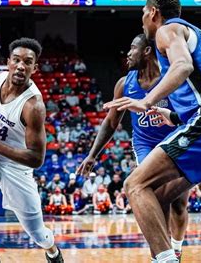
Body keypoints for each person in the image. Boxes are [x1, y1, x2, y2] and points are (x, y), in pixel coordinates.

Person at [102, 0, 201, 261]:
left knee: (134, 184)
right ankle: (169, 254)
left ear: (153, 12)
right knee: (157, 196)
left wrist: (146, 101)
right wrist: (173, 115)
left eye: (143, 13)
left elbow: (183, 66)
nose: (143, 19)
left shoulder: (167, 30)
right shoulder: (200, 36)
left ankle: (166, 259)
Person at [78, 33, 189, 259]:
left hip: (175, 141)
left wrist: (171, 116)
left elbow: (188, 115)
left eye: (132, 48)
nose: (128, 54)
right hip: (145, 146)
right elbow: (110, 123)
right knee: (157, 197)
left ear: (147, 51)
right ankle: (163, 254)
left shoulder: (171, 78)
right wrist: (92, 155)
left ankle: (176, 248)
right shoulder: (124, 84)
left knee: (179, 203)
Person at [0, 38, 63, 263]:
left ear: (34, 68)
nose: (20, 66)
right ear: (8, 62)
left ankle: (52, 250)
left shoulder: (33, 106)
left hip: (16, 165)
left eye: (27, 62)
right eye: (16, 60)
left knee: (38, 234)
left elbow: (37, 159)